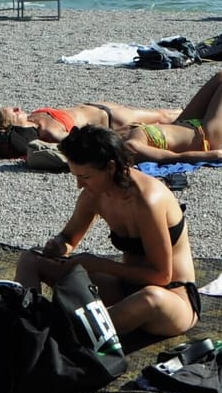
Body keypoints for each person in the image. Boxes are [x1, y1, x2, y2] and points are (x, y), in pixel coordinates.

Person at [15, 125, 200, 339]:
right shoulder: (93, 195)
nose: (78, 185)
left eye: (85, 176)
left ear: (110, 167)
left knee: (150, 297)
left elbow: (161, 276)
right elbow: (69, 239)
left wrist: (100, 265)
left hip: (171, 298)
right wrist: (58, 245)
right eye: (75, 176)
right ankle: (28, 323)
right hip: (124, 289)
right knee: (31, 259)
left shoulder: (148, 200)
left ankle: (64, 333)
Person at [0, 101, 185, 157]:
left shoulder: (34, 118)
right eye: (13, 111)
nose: (18, 107)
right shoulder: (47, 133)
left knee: (165, 114)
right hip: (112, 119)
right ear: (11, 123)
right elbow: (79, 140)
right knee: (167, 116)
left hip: (101, 106)